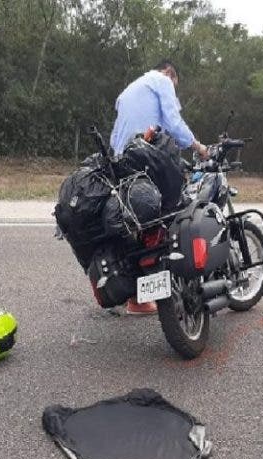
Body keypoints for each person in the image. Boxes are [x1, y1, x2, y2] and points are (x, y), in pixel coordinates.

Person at [109, 59, 210, 315]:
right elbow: (173, 123)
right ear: (169, 74)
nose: (173, 91)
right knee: (166, 219)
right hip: (145, 159)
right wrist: (198, 147)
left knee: (136, 224)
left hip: (120, 161)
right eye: (175, 86)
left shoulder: (129, 90)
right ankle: (160, 288)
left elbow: (119, 132)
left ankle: (133, 297)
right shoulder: (161, 81)